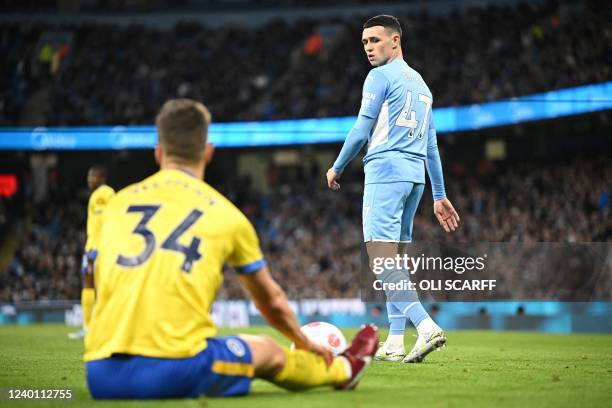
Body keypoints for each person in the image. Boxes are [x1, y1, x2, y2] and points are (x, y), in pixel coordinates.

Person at [84, 98, 379, 399]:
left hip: (100, 373)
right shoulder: (226, 215)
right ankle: (345, 368)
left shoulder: (115, 206)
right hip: (173, 371)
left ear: (158, 153)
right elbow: (271, 303)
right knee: (266, 350)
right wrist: (302, 340)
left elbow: (92, 276)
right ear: (208, 152)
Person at [326, 15, 459, 363]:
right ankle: (396, 341)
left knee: (381, 259)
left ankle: (426, 327)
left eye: (375, 40)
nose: (369, 48)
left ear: (395, 40)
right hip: (414, 178)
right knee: (394, 260)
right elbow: (431, 146)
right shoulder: (422, 86)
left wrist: (337, 166)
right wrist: (439, 194)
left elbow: (360, 129)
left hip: (385, 171)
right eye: (365, 43)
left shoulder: (379, 77)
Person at [68, 165, 114, 340]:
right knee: (90, 285)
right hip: (93, 247)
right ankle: (90, 327)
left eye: (93, 176)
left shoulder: (103, 194)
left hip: (98, 249)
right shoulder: (99, 195)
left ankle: (93, 328)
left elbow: (107, 222)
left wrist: (97, 248)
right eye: (89, 176)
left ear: (102, 177)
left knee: (93, 285)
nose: (89, 180)